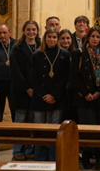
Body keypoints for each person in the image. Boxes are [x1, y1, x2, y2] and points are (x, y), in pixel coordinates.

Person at [71, 27, 100, 169]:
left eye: (98, 37)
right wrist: (85, 93)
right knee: (86, 128)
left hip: (98, 97)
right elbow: (74, 76)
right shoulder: (79, 53)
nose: (95, 39)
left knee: (99, 128)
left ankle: (99, 157)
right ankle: (86, 156)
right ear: (88, 37)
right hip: (83, 97)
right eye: (93, 36)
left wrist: (99, 92)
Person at [30, 28, 70, 161]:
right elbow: (34, 78)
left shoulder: (64, 54)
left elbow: (65, 77)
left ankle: (54, 158)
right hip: (40, 96)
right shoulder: (37, 54)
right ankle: (40, 158)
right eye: (49, 37)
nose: (51, 40)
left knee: (55, 129)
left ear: (57, 39)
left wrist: (53, 95)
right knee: (39, 129)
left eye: (54, 37)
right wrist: (44, 95)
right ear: (44, 38)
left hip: (57, 96)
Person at [9, 20, 40, 160]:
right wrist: (27, 88)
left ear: (37, 31)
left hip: (36, 90)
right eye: (28, 29)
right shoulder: (17, 48)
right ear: (24, 31)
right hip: (21, 90)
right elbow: (15, 71)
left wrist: (35, 88)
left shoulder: (41, 46)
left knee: (32, 121)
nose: (31, 32)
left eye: (34, 29)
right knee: (20, 121)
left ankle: (29, 148)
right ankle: (17, 151)